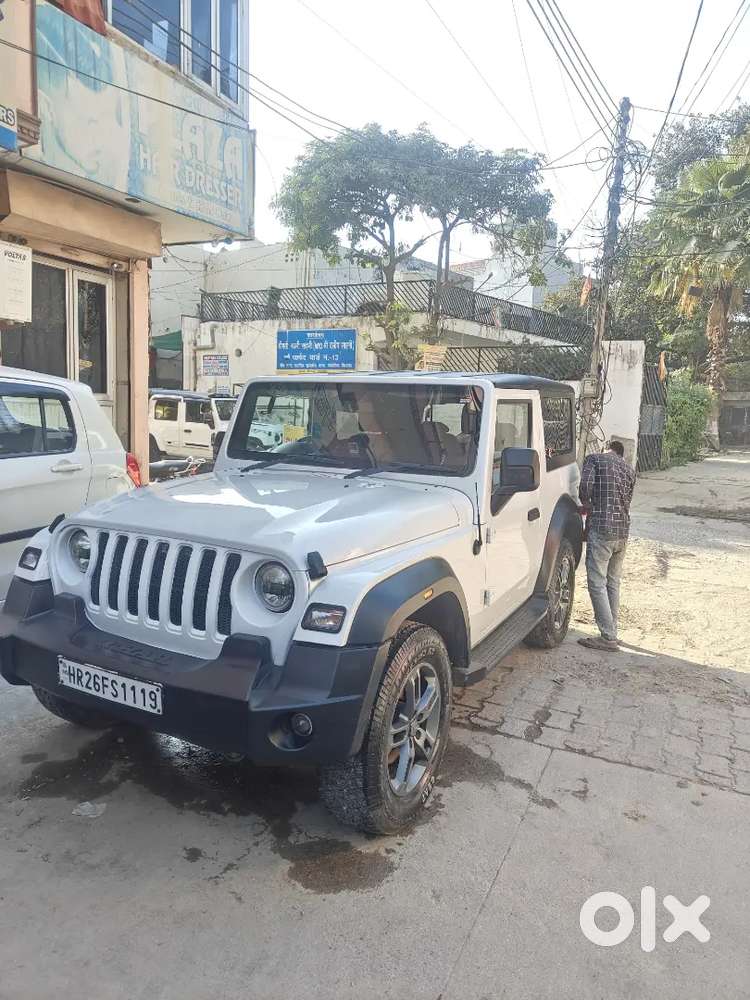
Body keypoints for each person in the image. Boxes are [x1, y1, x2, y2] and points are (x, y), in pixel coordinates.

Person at [578, 440, 636, 652]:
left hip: (602, 529)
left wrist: (587, 504)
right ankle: (612, 631)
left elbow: (585, 488)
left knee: (597, 583)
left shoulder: (595, 459)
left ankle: (608, 637)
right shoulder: (629, 470)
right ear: (620, 454)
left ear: (606, 447)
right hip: (622, 532)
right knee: (613, 583)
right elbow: (627, 500)